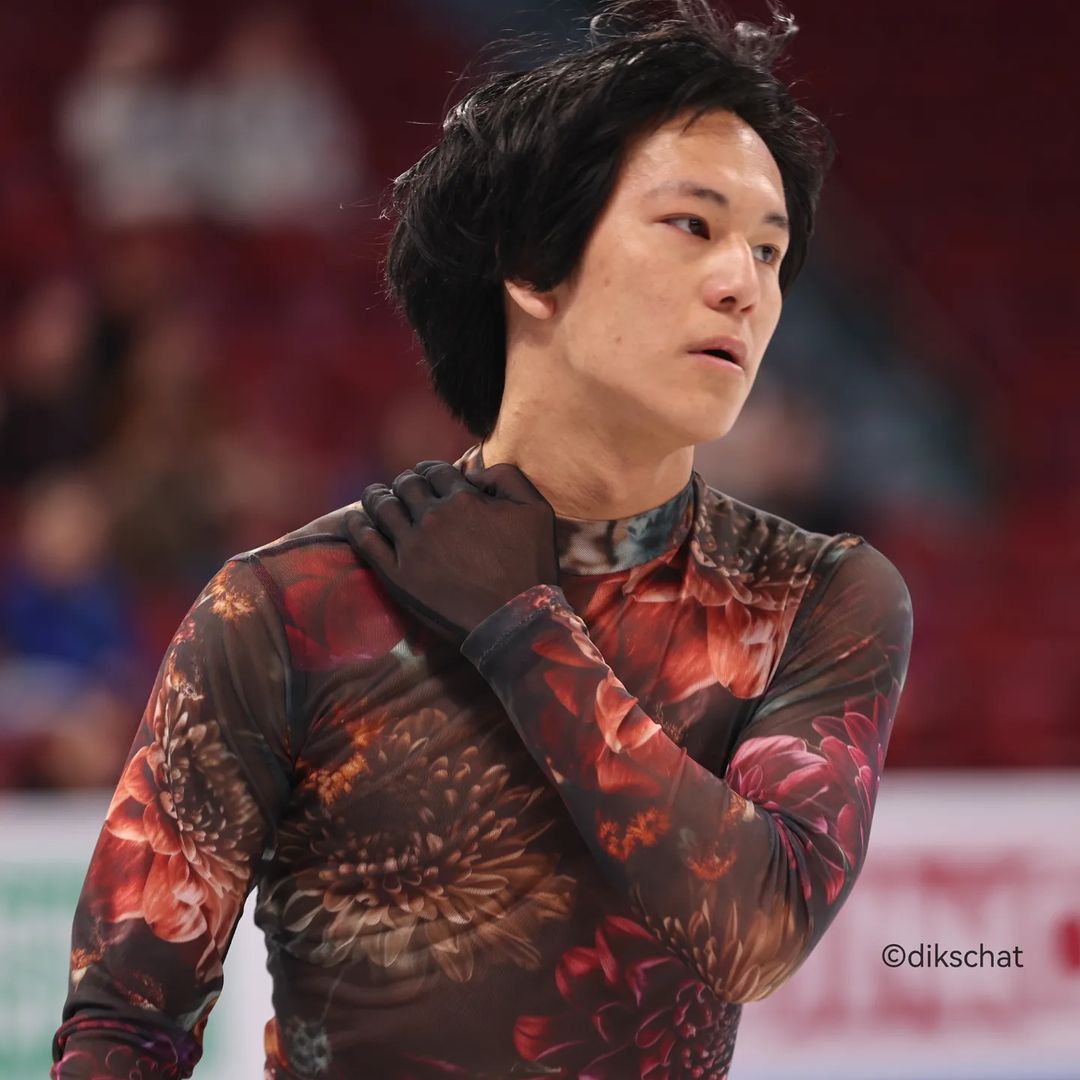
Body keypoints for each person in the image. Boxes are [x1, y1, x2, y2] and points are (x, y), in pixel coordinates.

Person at [51, 1, 914, 1076]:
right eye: (692, 224)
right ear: (532, 265)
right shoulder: (287, 607)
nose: (746, 283)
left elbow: (758, 933)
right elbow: (125, 1022)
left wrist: (519, 627)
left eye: (770, 248)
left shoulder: (816, 594)